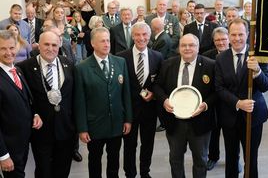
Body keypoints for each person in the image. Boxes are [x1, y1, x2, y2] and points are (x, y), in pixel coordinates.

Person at [153, 34, 216, 178]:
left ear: (198, 47)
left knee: (200, 159)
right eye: (183, 45)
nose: (187, 48)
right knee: (175, 159)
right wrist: (164, 100)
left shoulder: (210, 65)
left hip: (201, 122)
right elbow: (157, 86)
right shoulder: (168, 64)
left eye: (191, 45)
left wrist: (205, 105)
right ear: (178, 48)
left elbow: (216, 92)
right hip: (175, 122)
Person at [215, 18, 268, 178]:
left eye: (241, 34)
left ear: (247, 35)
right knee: (231, 157)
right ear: (228, 35)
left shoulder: (257, 57)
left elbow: (266, 86)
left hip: (254, 117)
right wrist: (238, 103)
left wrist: (258, 71)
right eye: (233, 34)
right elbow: (219, 88)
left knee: (251, 157)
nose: (237, 38)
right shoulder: (221, 58)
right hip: (230, 116)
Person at [74, 27, 132, 178]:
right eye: (102, 41)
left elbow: (126, 94)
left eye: (108, 40)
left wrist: (128, 119)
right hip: (94, 125)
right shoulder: (82, 68)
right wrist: (82, 128)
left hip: (116, 123)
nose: (106, 44)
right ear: (93, 43)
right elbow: (79, 102)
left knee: (114, 161)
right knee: (94, 160)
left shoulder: (120, 62)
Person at [17, 31, 76, 178]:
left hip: (66, 130)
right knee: (44, 171)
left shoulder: (68, 64)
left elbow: (74, 97)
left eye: (54, 45)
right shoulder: (24, 67)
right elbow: (23, 99)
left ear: (60, 45)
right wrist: (34, 114)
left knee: (63, 170)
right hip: (41, 132)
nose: (50, 48)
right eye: (46, 44)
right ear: (38, 45)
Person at [117, 22, 163, 178]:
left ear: (149, 36)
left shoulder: (157, 57)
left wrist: (155, 94)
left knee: (148, 144)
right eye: (137, 34)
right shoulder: (122, 57)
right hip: (129, 110)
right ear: (132, 36)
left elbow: (159, 82)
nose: (141, 38)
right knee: (129, 145)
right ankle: (130, 173)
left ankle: (145, 172)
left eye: (144, 34)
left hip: (149, 109)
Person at [0, 30, 42, 178]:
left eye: (11, 48)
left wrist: (35, 114)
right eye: (3, 48)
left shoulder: (17, 70)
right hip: (8, 148)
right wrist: (3, 155)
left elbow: (26, 99)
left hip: (22, 144)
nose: (8, 52)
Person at [202, 27, 230, 170]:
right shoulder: (207, 56)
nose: (221, 42)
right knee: (213, 131)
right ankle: (213, 157)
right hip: (213, 101)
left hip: (230, 102)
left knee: (231, 134)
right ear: (213, 41)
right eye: (217, 40)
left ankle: (233, 159)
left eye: (224, 39)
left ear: (229, 39)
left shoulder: (235, 55)